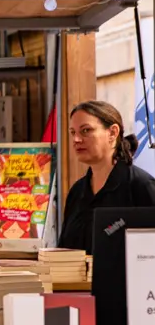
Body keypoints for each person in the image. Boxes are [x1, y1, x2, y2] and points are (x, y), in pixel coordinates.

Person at [58, 100, 155, 253]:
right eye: (73, 132)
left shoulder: (141, 186)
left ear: (112, 133)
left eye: (85, 131)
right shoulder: (76, 192)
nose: (76, 139)